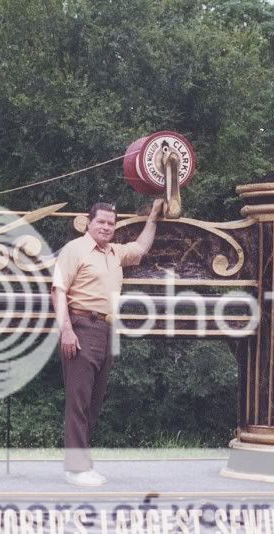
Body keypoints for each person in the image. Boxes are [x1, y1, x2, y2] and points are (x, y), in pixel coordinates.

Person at [51, 198, 164, 486]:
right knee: (78, 401)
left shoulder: (114, 252)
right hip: (80, 327)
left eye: (111, 223)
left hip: (106, 329)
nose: (106, 227)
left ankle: (83, 464)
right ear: (88, 222)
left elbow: (140, 248)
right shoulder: (74, 250)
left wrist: (152, 217)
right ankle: (75, 469)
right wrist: (66, 329)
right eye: (100, 221)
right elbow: (59, 290)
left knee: (93, 401)